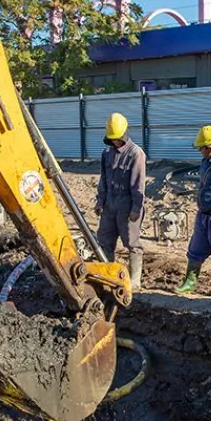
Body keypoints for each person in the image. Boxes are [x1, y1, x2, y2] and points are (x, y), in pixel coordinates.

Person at [173, 125, 211, 298]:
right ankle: (190, 281)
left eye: (201, 148)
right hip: (203, 213)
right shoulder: (207, 162)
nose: (199, 151)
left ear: (210, 148)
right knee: (196, 248)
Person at [94, 112, 146, 290]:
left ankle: (134, 280)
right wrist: (100, 201)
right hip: (110, 202)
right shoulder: (106, 153)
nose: (115, 142)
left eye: (118, 139)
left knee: (131, 242)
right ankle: (107, 275)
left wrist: (136, 208)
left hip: (127, 202)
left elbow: (138, 185)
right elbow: (103, 179)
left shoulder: (136, 154)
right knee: (105, 240)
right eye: (112, 139)